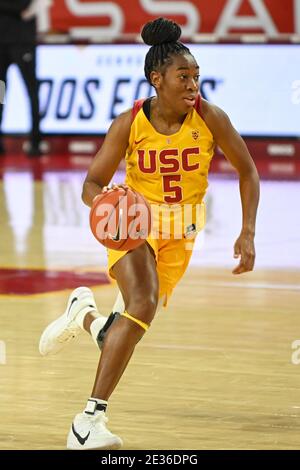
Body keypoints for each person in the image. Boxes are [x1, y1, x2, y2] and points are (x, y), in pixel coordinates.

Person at [39, 17, 260, 450]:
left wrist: (247, 231)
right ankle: (87, 422)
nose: (193, 84)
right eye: (183, 76)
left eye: (196, 76)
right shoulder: (129, 123)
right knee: (141, 305)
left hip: (182, 234)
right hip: (135, 225)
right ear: (156, 79)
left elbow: (248, 172)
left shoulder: (212, 118)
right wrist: (106, 203)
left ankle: (83, 314)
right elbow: (91, 183)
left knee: (127, 327)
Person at [0, 0, 42, 156]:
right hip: (2, 44)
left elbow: (24, 5)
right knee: (0, 93)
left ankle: (36, 141)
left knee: (31, 91)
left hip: (22, 42)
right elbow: (19, 9)